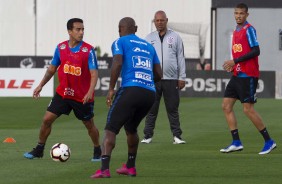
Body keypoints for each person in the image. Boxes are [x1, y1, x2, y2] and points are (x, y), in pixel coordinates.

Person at [90, 17, 162, 179]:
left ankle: (104, 169)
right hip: (149, 93)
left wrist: (111, 88)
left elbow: (117, 62)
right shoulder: (149, 47)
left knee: (111, 129)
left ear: (120, 29)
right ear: (135, 29)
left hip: (131, 89)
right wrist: (146, 82)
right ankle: (130, 167)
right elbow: (159, 74)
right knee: (131, 128)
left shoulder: (120, 41)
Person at [24, 18, 102, 161]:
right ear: (69, 31)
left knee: (89, 124)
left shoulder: (88, 50)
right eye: (78, 29)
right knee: (47, 119)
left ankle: (97, 150)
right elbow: (52, 69)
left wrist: (90, 91)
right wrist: (41, 85)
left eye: (83, 29)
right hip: (63, 93)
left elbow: (94, 73)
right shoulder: (60, 48)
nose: (81, 32)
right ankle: (39, 149)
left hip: (82, 96)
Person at [220, 3, 276, 155]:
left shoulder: (249, 29)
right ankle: (236, 142)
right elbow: (239, 54)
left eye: (241, 13)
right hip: (237, 74)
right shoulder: (235, 31)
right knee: (226, 106)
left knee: (248, 109)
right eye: (236, 13)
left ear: (247, 15)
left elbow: (256, 51)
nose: (238, 15)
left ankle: (269, 141)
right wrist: (233, 66)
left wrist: (235, 61)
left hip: (248, 75)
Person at [141, 10, 186, 144]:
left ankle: (177, 136)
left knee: (172, 109)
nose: (159, 23)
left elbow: (180, 57)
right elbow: (144, 59)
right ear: (154, 22)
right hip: (153, 80)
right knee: (151, 109)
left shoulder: (176, 37)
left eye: (162, 20)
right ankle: (147, 136)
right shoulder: (148, 38)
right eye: (157, 20)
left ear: (166, 20)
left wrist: (182, 77)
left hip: (171, 79)